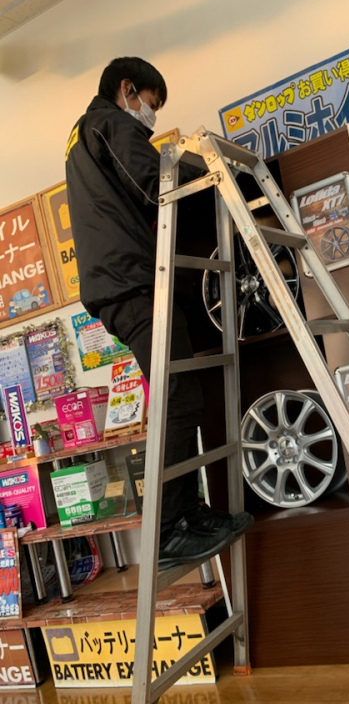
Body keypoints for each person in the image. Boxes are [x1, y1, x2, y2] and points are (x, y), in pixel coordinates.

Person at [65, 56, 252, 568]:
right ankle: (171, 529)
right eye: (151, 103)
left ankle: (187, 513)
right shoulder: (108, 123)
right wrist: (212, 167)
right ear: (128, 89)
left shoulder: (82, 138)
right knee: (178, 399)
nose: (149, 116)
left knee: (180, 398)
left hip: (122, 283)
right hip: (132, 283)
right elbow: (156, 182)